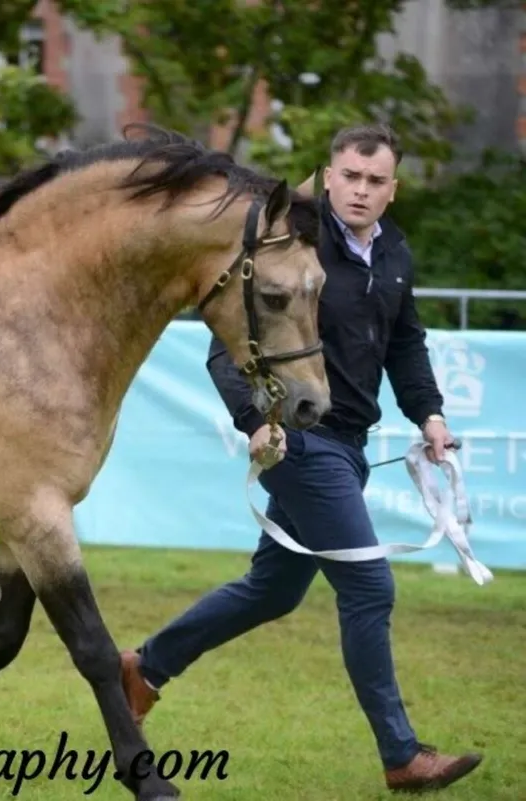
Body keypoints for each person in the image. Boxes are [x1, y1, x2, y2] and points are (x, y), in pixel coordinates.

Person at [120, 123, 483, 793]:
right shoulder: (293, 242)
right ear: (329, 176)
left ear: (393, 189)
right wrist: (254, 422)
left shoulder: (394, 252)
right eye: (351, 176)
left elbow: (405, 343)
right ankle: (402, 755)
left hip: (350, 444)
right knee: (370, 588)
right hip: (300, 442)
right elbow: (224, 347)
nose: (361, 190)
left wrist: (429, 415)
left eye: (375, 181)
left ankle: (143, 668)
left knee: (274, 589)